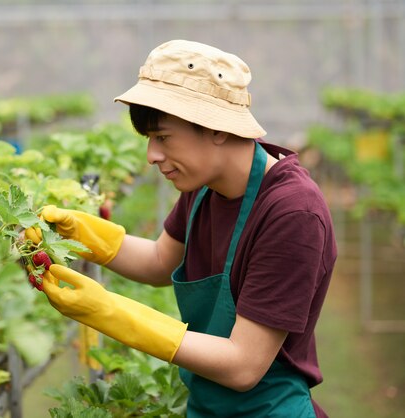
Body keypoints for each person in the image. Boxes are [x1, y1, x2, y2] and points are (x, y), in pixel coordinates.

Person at [30, 40, 337, 417]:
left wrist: (107, 311)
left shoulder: (292, 213)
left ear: (216, 129)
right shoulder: (205, 186)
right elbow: (161, 261)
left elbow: (243, 365)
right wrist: (82, 235)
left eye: (162, 138)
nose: (151, 156)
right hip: (207, 406)